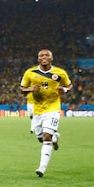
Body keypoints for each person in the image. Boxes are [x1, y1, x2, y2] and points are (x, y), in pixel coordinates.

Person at [20, 49, 72, 177]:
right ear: (38, 59)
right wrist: (31, 89)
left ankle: (42, 168)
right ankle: (55, 138)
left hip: (53, 109)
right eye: (41, 55)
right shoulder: (30, 73)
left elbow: (69, 85)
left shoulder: (60, 73)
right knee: (41, 138)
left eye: (47, 55)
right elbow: (21, 88)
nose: (44, 57)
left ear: (51, 58)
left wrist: (64, 89)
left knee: (46, 137)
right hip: (37, 110)